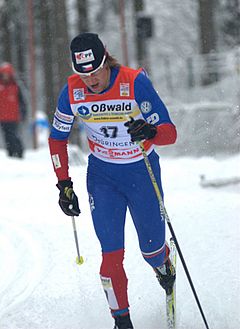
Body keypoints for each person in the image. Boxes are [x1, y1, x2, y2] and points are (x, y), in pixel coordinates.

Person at [48, 32, 177, 329]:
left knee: (151, 250)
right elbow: (57, 139)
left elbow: (170, 133)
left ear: (106, 60)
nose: (90, 81)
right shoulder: (71, 92)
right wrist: (63, 184)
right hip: (103, 177)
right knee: (110, 256)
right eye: (82, 74)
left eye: (95, 72)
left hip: (141, 172)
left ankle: (163, 262)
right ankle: (122, 321)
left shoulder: (134, 82)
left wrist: (150, 131)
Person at [0, 62, 26, 158]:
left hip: (13, 117)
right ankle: (10, 152)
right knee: (6, 136)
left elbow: (22, 102)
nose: (5, 76)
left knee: (14, 135)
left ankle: (19, 151)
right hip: (2, 117)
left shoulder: (15, 86)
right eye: (4, 74)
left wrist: (23, 113)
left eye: (7, 74)